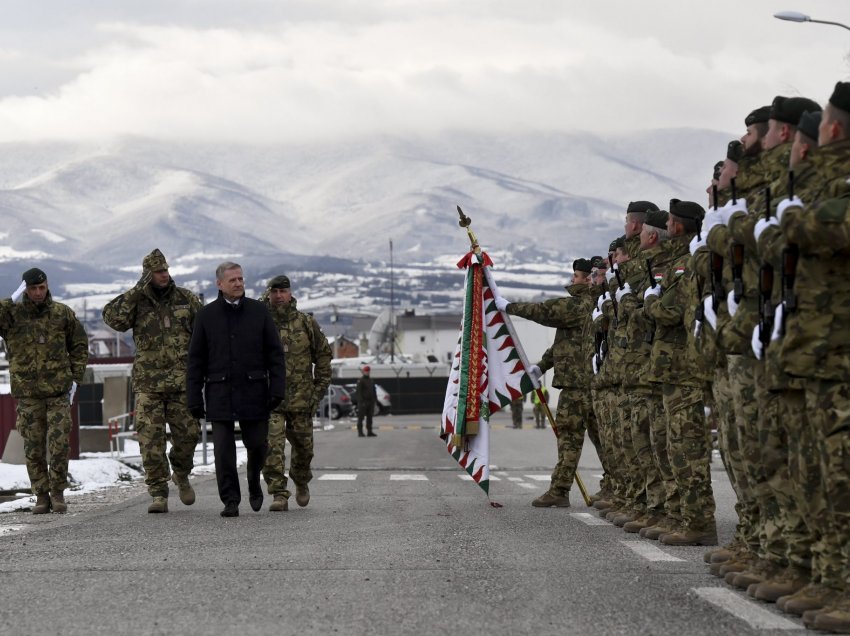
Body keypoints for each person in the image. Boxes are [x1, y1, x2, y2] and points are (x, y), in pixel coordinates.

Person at [103, 249, 202, 514]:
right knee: (150, 440)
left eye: (166, 270)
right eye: (159, 272)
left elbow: (205, 334)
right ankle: (158, 492)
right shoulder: (137, 301)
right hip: (149, 385)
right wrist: (136, 291)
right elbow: (112, 317)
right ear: (147, 275)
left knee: (189, 436)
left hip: (182, 383)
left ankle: (180, 473)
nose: (164, 275)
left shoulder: (186, 299)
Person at [495, 258, 597, 508]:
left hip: (578, 386)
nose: (572, 280)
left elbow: (545, 312)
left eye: (576, 276)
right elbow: (566, 344)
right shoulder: (594, 305)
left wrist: (509, 307)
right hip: (589, 384)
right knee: (603, 440)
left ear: (585, 279)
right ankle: (614, 489)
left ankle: (560, 490)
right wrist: (541, 367)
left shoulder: (582, 305)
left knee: (570, 439)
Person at [186, 262, 286, 517]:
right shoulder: (206, 316)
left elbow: (275, 354)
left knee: (257, 445)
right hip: (219, 392)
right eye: (233, 280)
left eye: (241, 279)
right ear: (219, 284)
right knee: (223, 450)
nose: (239, 283)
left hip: (254, 391)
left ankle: (254, 480)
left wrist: (277, 389)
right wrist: (194, 396)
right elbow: (196, 360)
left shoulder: (259, 311)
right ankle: (230, 499)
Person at [0, 267, 88, 514]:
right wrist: (11, 300)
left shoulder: (62, 314)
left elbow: (80, 345)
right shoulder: (12, 316)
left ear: (47, 286)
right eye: (32, 288)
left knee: (59, 444)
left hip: (58, 391)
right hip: (28, 394)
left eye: (42, 287)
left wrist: (75, 379)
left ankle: (58, 492)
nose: (38, 293)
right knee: (34, 447)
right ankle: (41, 495)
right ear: (25, 289)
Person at [260, 275, 332, 512]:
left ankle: (301, 480)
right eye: (275, 292)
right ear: (269, 294)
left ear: (290, 293)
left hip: (302, 399)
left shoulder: (305, 323)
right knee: (272, 446)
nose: (279, 296)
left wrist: (317, 390)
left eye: (283, 291)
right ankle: (278, 493)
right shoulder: (260, 322)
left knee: (303, 449)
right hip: (271, 399)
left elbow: (323, 356)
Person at [356, 366, 378, 437]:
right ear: (363, 372)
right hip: (363, 402)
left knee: (370, 417)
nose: (367, 372)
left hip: (370, 402)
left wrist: (375, 401)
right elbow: (359, 392)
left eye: (368, 371)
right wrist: (361, 402)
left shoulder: (371, 380)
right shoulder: (361, 380)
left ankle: (369, 431)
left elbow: (374, 391)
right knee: (361, 418)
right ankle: (360, 432)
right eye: (366, 371)